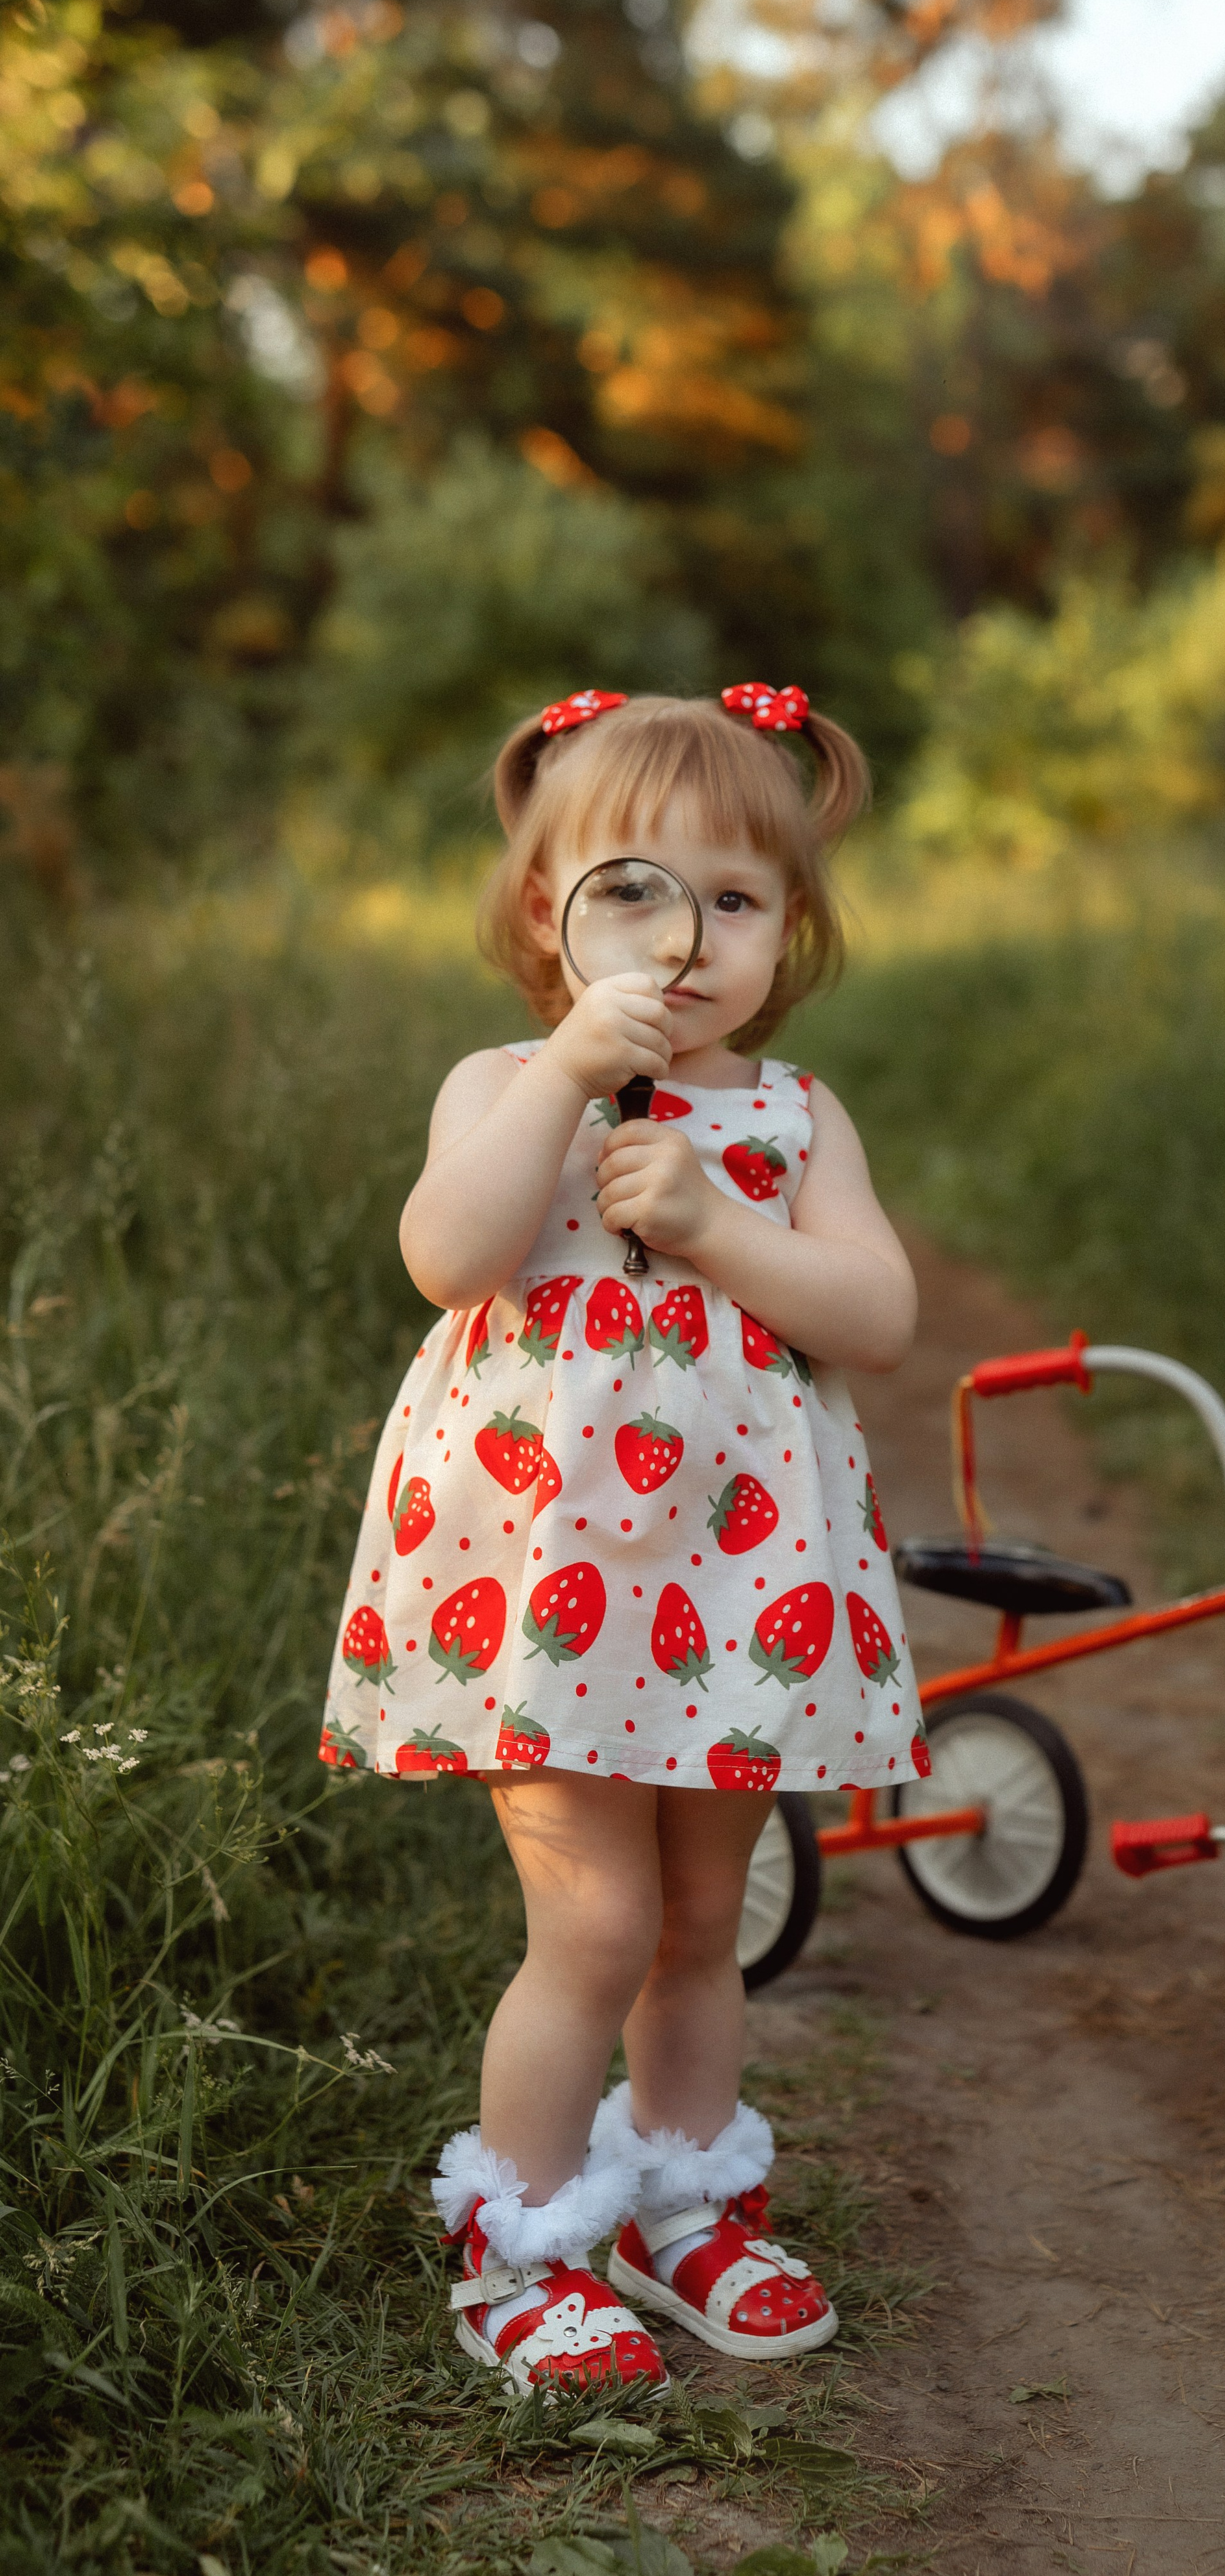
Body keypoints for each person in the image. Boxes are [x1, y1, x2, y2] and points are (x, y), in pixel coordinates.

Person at [319, 684, 926, 2396]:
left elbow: (875, 1311)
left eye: (733, 900)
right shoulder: (509, 1082)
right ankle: (518, 2242)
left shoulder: (794, 1122)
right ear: (548, 912)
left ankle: (677, 2194)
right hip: (548, 1586)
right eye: (634, 895)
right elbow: (449, 1255)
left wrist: (727, 1229)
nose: (685, 939)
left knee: (694, 1924)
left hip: (732, 1591)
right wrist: (573, 1079)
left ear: (789, 924)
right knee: (588, 1927)